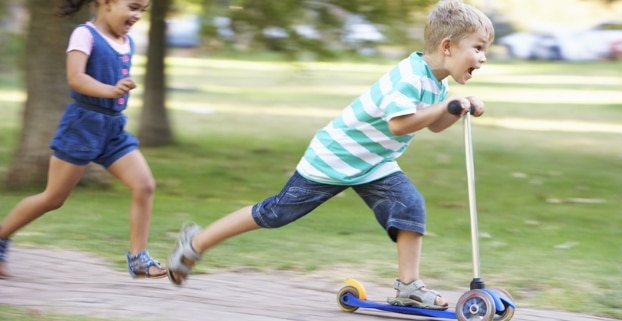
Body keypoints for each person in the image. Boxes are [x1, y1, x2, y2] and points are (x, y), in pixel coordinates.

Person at [167, 0, 494, 309]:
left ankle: (408, 287)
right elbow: (399, 125)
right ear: (448, 46)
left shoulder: (436, 83)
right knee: (276, 213)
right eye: (477, 48)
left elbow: (433, 125)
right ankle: (196, 242)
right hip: (335, 158)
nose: (482, 58)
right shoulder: (409, 77)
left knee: (410, 206)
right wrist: (446, 106)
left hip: (373, 163)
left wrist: (455, 111)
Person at [0, 0, 166, 279]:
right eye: (133, 7)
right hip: (82, 126)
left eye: (143, 10)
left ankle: (138, 258)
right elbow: (75, 78)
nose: (137, 15)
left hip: (113, 129)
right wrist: (111, 90)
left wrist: (115, 94)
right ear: (106, 2)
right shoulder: (84, 35)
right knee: (53, 198)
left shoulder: (127, 41)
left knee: (145, 185)